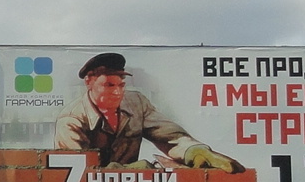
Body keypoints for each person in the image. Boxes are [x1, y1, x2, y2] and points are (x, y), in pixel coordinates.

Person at [54, 52, 242, 171]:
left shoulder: (136, 102)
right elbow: (78, 176)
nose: (118, 92)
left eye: (121, 85)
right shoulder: (71, 120)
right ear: (89, 82)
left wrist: (195, 151)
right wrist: (131, 170)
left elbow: (169, 135)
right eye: (109, 85)